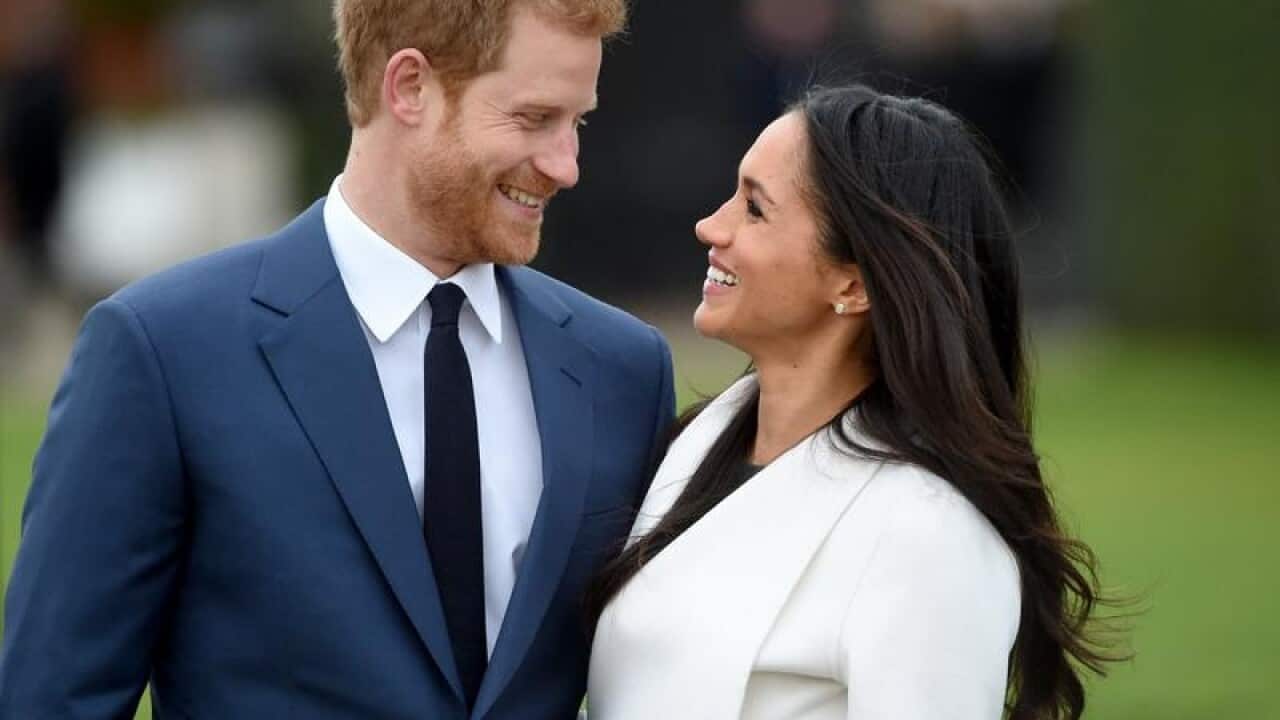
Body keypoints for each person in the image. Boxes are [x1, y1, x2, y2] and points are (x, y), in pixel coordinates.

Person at [0, 1, 674, 718]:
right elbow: (53, 700)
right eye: (534, 119)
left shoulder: (622, 372)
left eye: (579, 122)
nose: (565, 165)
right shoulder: (162, 352)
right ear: (409, 87)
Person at [587, 85, 1117, 719]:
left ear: (853, 282)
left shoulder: (928, 537)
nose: (711, 226)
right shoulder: (695, 443)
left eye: (754, 208)